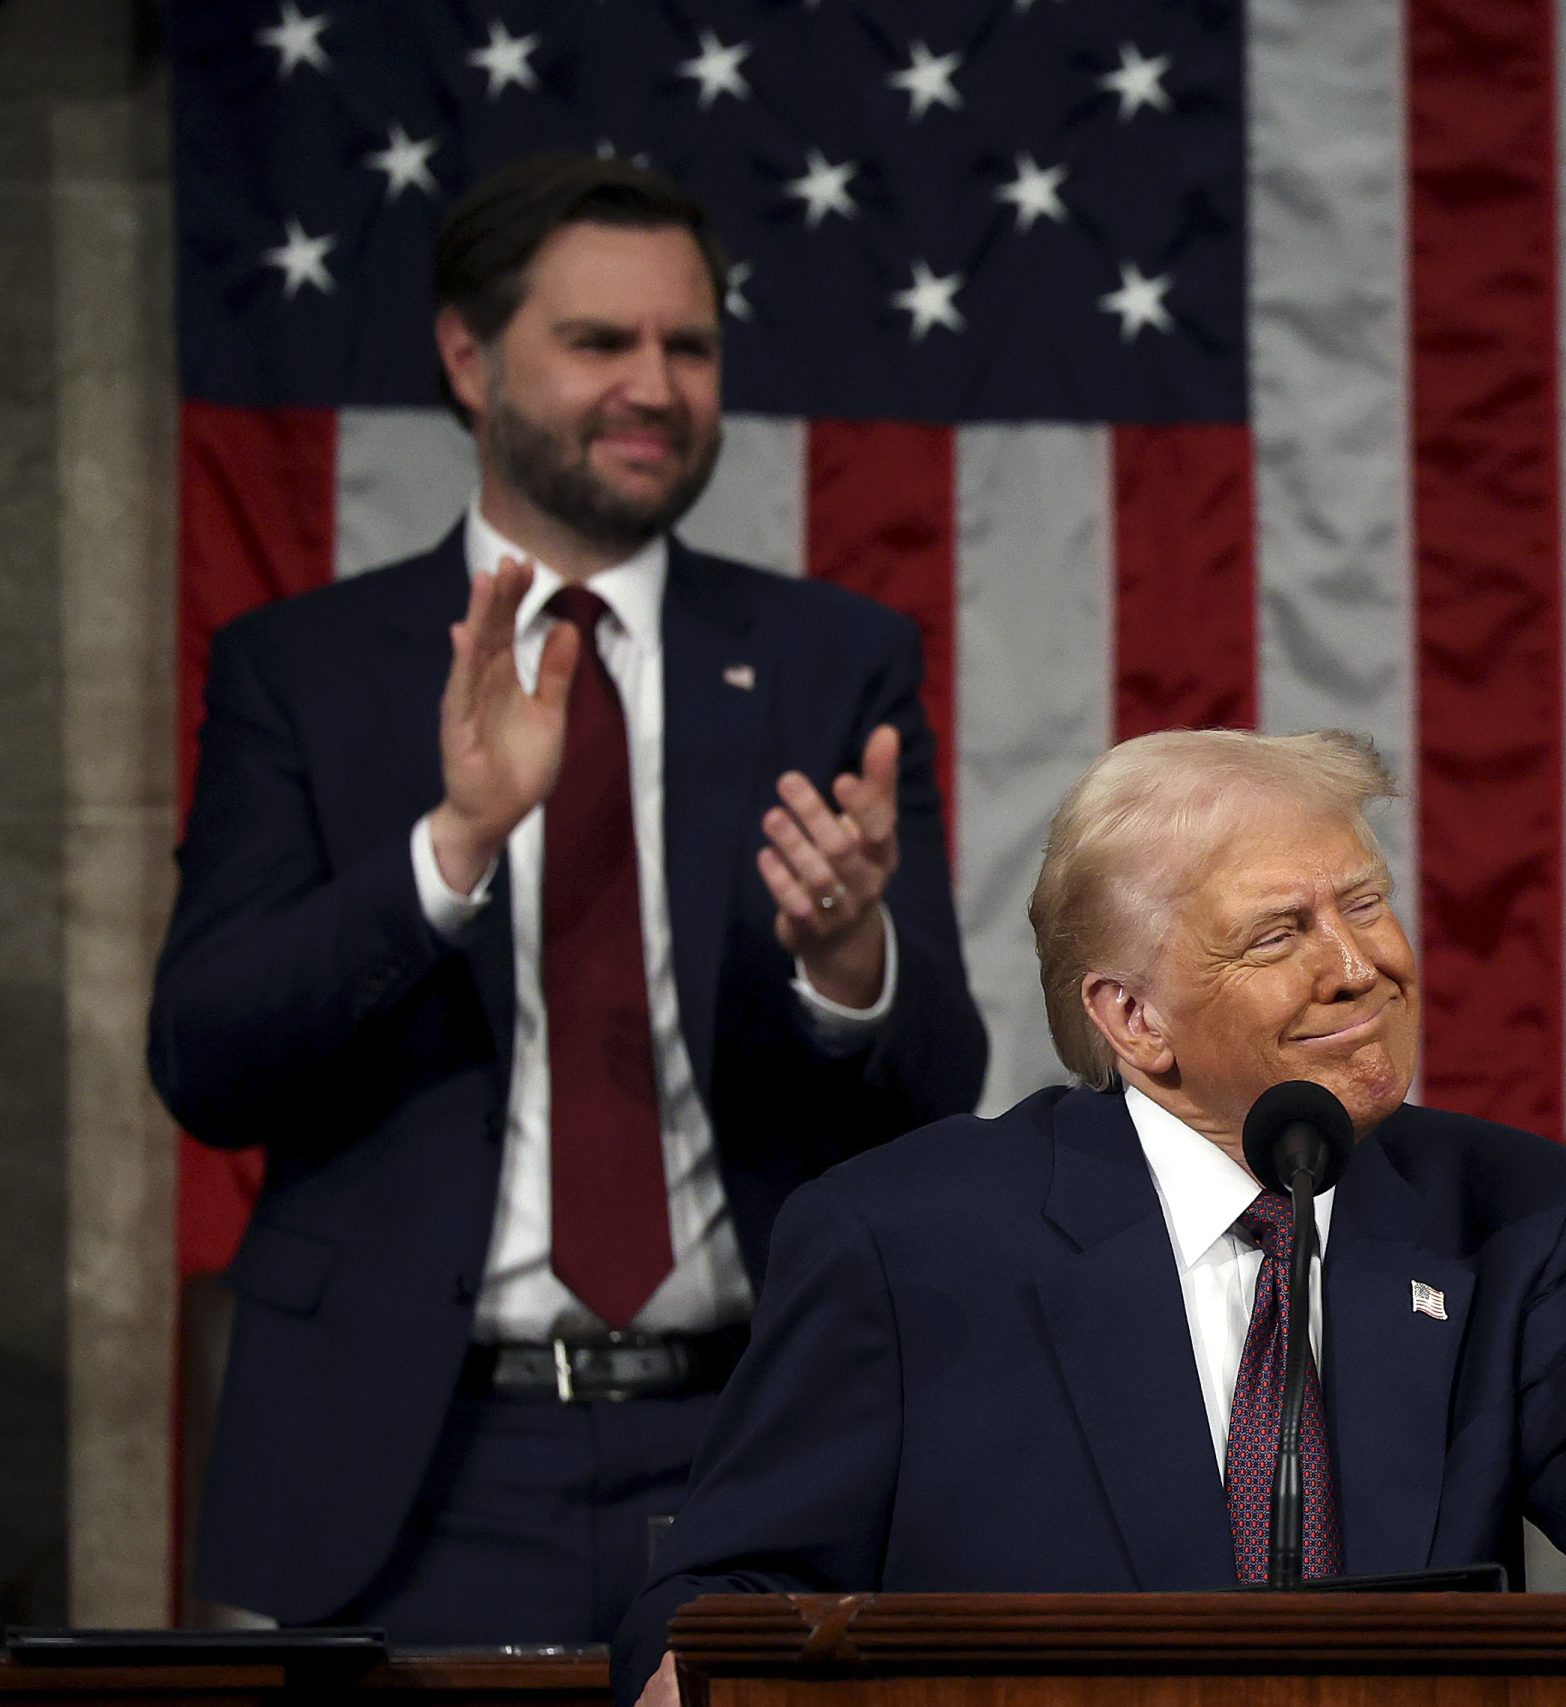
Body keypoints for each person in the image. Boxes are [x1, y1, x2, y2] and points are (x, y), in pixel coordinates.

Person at [615, 730, 1566, 1707]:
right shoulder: (911, 1242)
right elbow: (718, 1604)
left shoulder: (1496, 1220)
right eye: (1279, 933)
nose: (1361, 965)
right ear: (1133, 1019)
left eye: (1364, 902)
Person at [149, 153, 988, 1643]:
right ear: (469, 359)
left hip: (759, 1440)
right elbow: (206, 1061)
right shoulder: (307, 668)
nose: (654, 385)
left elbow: (940, 1086)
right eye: (600, 343)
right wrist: (450, 849)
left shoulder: (827, 659)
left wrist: (851, 960)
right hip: (418, 1472)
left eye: (690, 345)